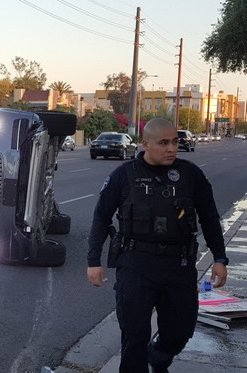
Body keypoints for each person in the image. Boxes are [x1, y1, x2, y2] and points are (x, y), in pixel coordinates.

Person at [86, 118, 229, 372]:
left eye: (174, 142)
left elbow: (209, 217)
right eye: (163, 143)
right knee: (134, 336)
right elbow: (101, 217)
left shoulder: (190, 174)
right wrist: (93, 261)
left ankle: (159, 356)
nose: (171, 148)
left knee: (180, 331)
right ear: (145, 144)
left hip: (178, 265)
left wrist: (219, 257)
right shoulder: (124, 175)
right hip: (135, 264)